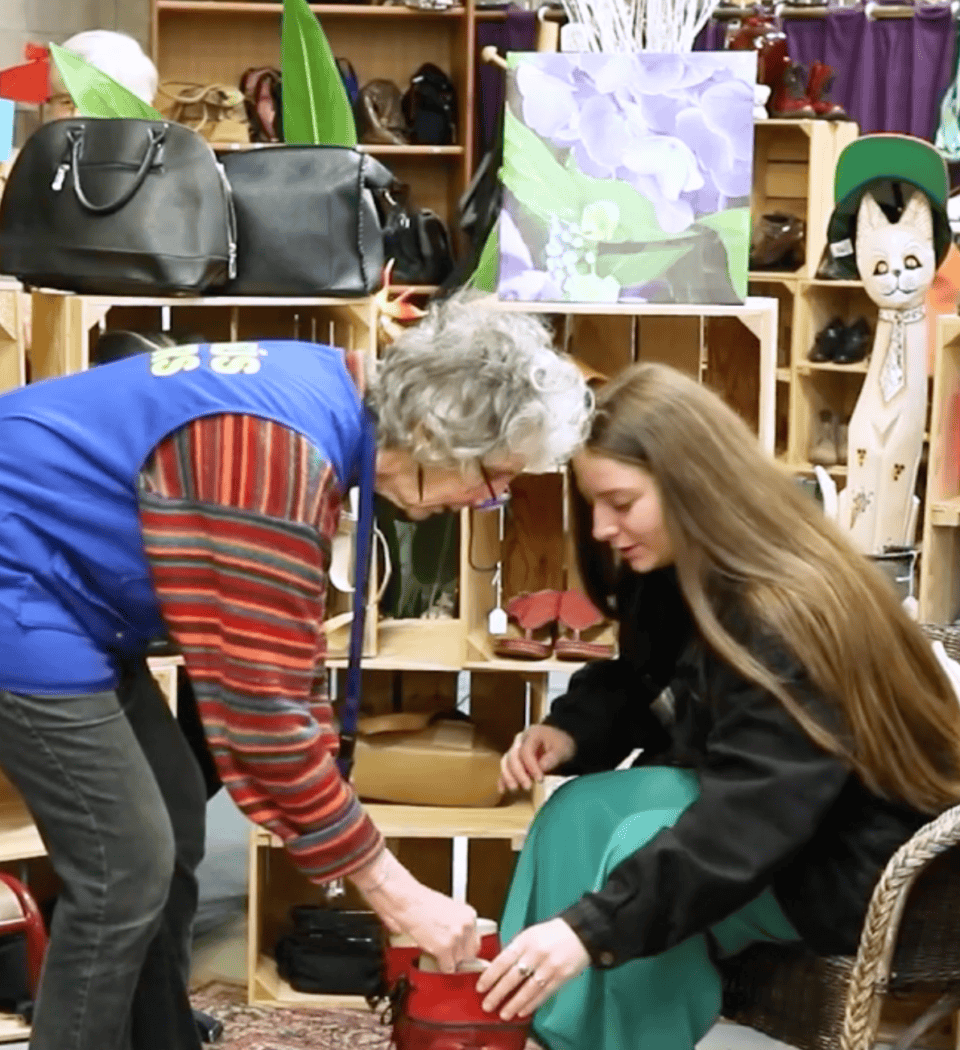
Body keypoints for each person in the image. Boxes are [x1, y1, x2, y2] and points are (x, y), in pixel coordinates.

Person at [0, 293, 593, 1050]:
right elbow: (262, 715)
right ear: (429, 432)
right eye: (494, 476)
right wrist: (397, 893)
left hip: (70, 590)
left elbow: (278, 669)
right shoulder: (272, 455)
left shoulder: (332, 391)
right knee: (126, 867)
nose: (490, 499)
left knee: (177, 803)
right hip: (21, 579)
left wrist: (334, 806)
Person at [476, 361, 960, 1050]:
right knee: (575, 815)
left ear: (690, 485)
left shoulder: (788, 612)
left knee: (633, 857)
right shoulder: (684, 569)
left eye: (620, 502)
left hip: (864, 868)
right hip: (787, 818)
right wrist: (569, 731)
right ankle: (544, 1029)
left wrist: (589, 929)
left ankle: (606, 1034)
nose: (603, 528)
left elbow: (753, 818)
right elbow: (651, 683)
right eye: (593, 505)